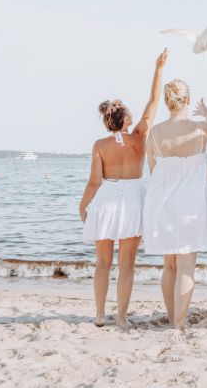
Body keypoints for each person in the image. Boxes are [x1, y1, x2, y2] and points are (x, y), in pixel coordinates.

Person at [79, 49, 168, 329]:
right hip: (133, 198)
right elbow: (154, 101)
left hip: (106, 199)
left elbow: (95, 181)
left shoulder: (99, 145)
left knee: (102, 262)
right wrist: (158, 69)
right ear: (127, 119)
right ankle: (121, 318)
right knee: (126, 265)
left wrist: (83, 205)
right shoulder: (139, 138)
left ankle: (99, 315)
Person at [143, 66, 207, 329]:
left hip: (163, 205)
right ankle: (179, 323)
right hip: (192, 205)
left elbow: (153, 169)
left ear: (168, 102)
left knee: (169, 267)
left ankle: (172, 317)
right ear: (187, 100)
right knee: (187, 267)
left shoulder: (154, 133)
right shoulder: (201, 129)